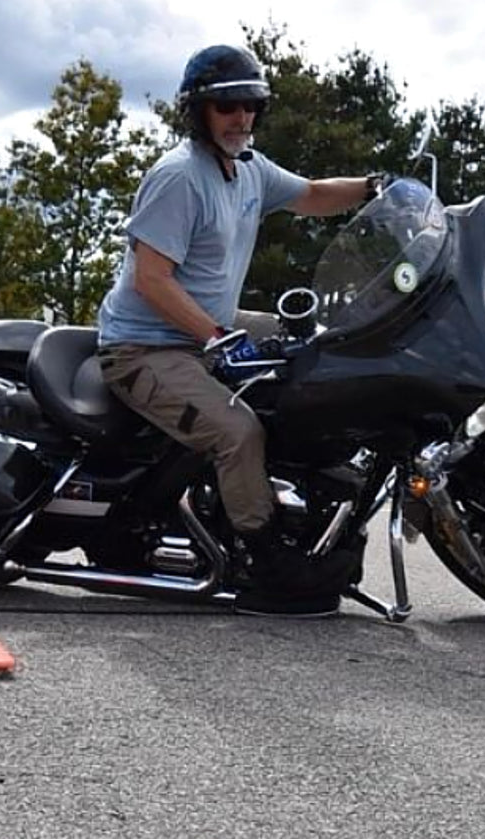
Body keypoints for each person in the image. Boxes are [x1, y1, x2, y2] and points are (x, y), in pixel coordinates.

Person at [96, 44, 381, 616]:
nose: (241, 117)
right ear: (198, 112)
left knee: (319, 343)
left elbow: (312, 195)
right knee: (238, 431)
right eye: (227, 106)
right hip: (144, 346)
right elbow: (152, 280)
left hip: (201, 330)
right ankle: (263, 557)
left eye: (250, 105)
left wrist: (379, 189)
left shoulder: (247, 168)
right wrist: (216, 338)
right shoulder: (179, 178)